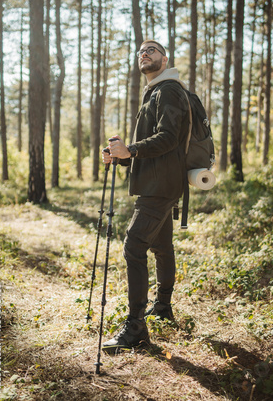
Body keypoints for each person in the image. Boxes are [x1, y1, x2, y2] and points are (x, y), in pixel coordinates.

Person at [101, 40, 190, 354]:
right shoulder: (154, 92)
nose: (144, 53)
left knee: (134, 246)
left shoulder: (169, 90)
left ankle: (136, 327)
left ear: (164, 60)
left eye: (151, 50)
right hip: (157, 181)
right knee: (161, 245)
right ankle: (163, 306)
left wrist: (133, 149)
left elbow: (168, 137)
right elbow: (154, 147)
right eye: (141, 51)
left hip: (159, 186)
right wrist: (123, 157)